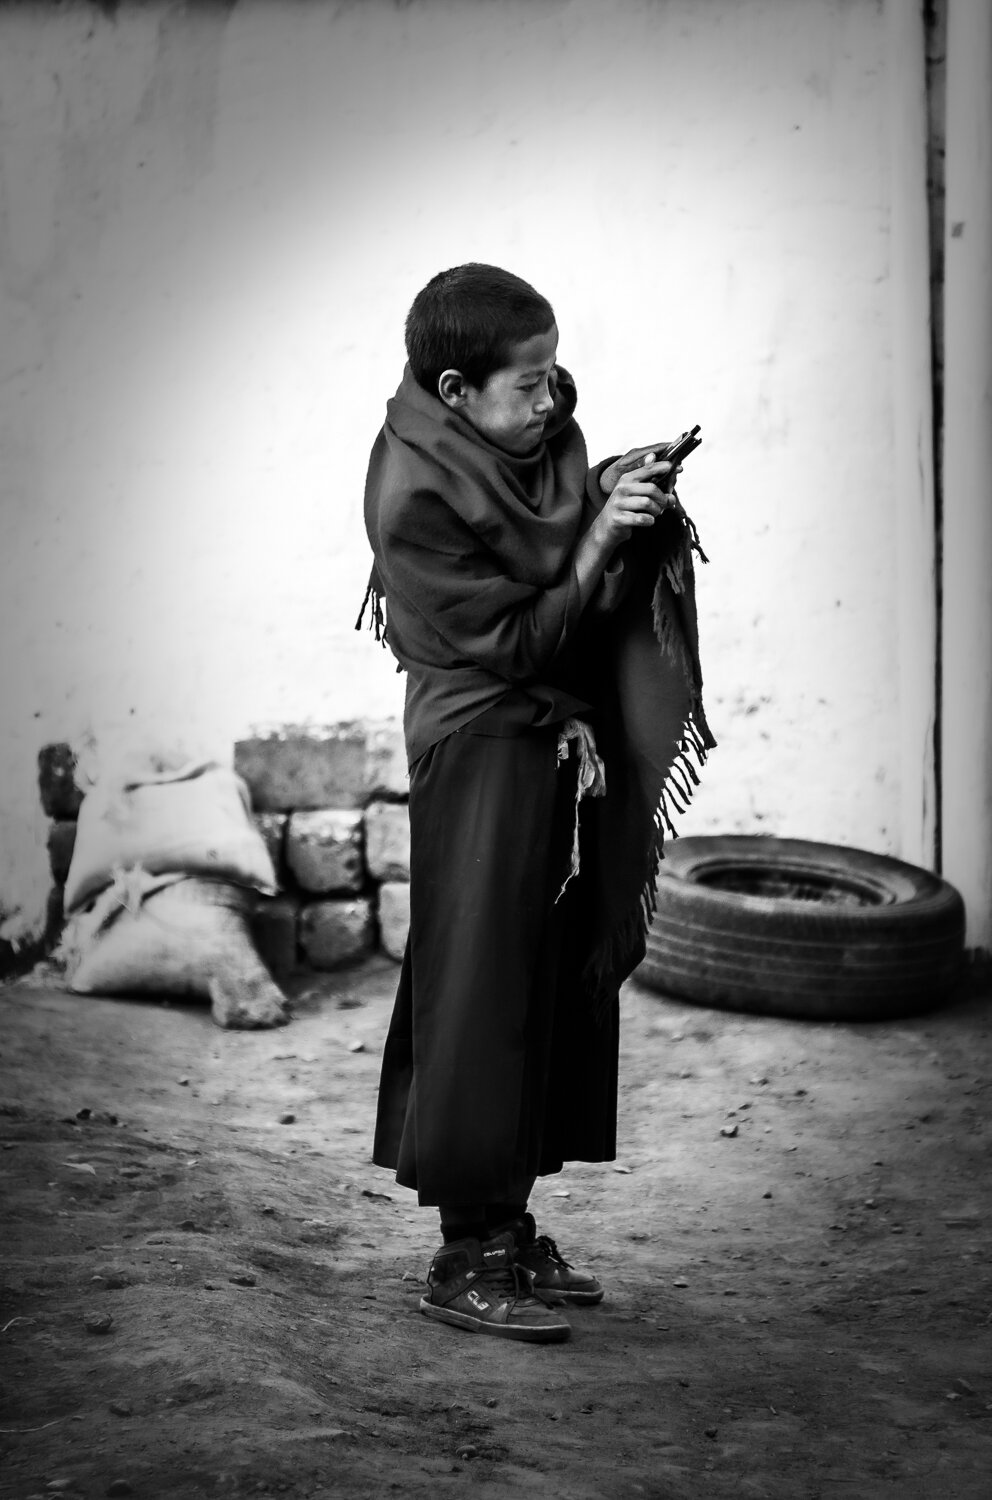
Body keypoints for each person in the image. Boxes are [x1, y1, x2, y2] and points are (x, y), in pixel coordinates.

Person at [358, 263, 714, 1344]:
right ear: (457, 390)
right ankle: (463, 1255)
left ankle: (511, 1232)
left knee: (542, 977)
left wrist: (614, 489)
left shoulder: (536, 441)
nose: (552, 406)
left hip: (556, 738)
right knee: (477, 983)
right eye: (529, 387)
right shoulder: (412, 489)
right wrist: (600, 536)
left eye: (557, 379)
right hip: (478, 744)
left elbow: (555, 528)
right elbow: (511, 640)